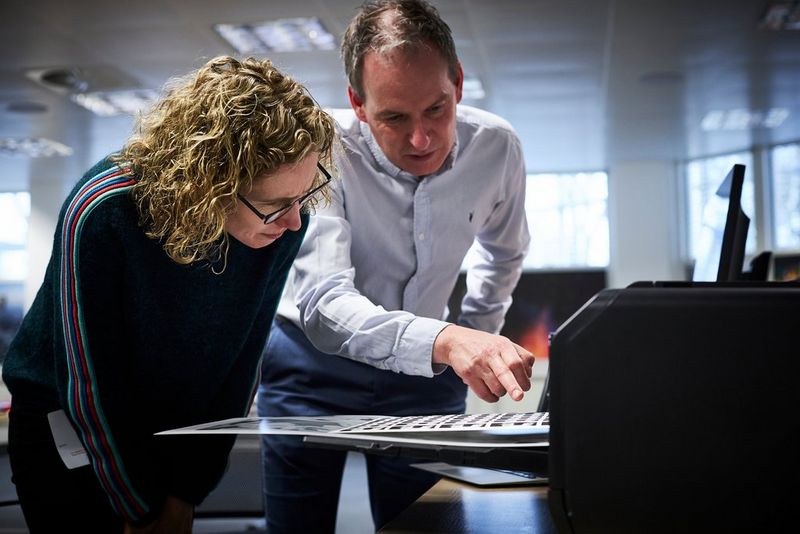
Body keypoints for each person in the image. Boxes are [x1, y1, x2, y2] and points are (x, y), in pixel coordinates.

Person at [2, 55, 336, 533]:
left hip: (171, 423)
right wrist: (138, 506)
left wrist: (185, 492)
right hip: (71, 423)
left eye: (303, 197)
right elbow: (89, 383)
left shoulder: (280, 224)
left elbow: (240, 362)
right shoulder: (104, 210)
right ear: (211, 185)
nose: (295, 222)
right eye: (275, 205)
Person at [257, 0, 533, 531]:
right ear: (358, 104)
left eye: (437, 108)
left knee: (432, 523)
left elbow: (505, 254)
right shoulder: (320, 150)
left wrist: (474, 339)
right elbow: (324, 304)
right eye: (394, 117)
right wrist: (451, 342)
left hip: (428, 377)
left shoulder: (497, 148)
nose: (421, 139)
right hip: (311, 369)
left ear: (456, 80)